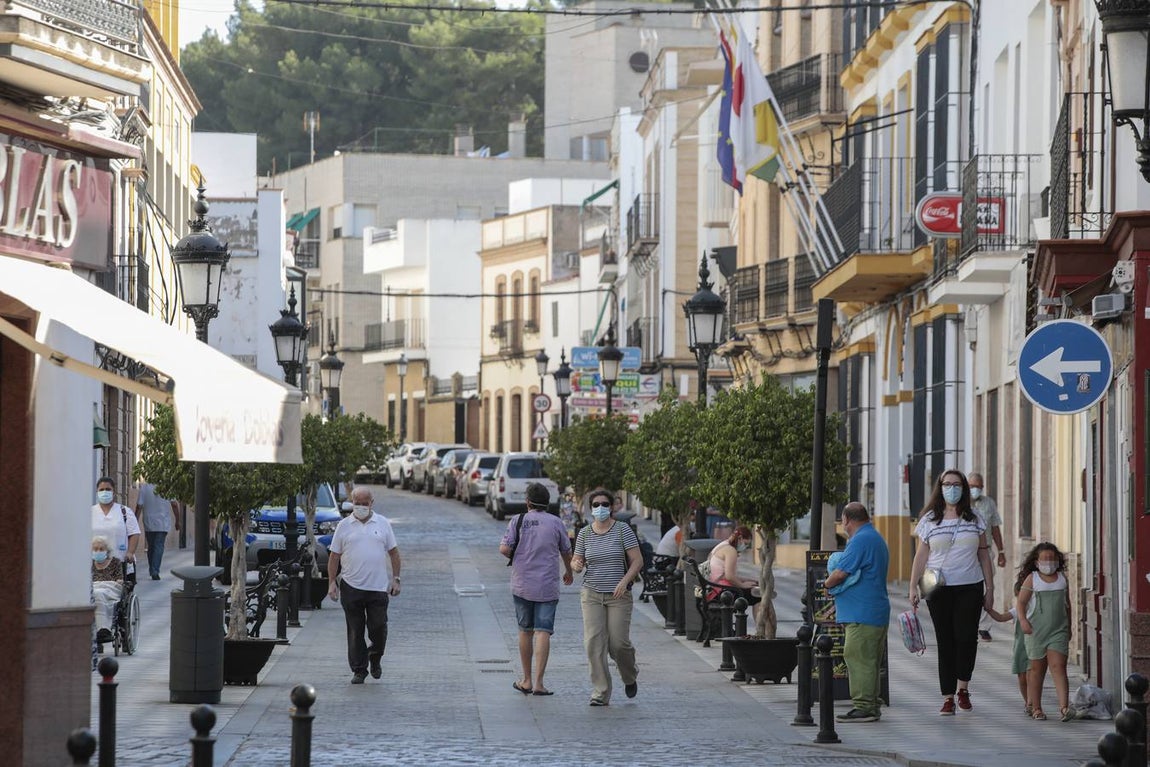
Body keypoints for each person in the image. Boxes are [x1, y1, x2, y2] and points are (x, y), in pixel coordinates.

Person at [909, 469, 994, 715]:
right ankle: (947, 697)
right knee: (945, 641)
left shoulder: (975, 518)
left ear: (964, 488)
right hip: (938, 588)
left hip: (970, 586)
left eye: (957, 484)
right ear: (940, 487)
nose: (952, 488)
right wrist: (912, 586)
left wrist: (990, 588)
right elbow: (921, 555)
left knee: (966, 638)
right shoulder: (929, 520)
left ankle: (963, 688)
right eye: (947, 484)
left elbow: (984, 554)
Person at [499, 482, 574, 696]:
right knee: (543, 631)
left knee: (525, 630)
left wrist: (517, 556)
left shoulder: (518, 520)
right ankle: (540, 683)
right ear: (547, 502)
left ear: (528, 502)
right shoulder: (556, 523)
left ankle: (526, 680)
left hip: (522, 584)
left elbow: (504, 548)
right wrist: (569, 572)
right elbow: (566, 551)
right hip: (547, 585)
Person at [571, 487, 643, 706]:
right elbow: (576, 561)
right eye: (596, 505)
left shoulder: (623, 530)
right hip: (591, 593)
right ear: (590, 508)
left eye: (604, 504)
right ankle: (600, 692)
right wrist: (576, 564)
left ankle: (629, 675)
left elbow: (637, 561)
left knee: (618, 644)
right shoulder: (584, 533)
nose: (600, 508)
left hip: (618, 595)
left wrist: (624, 581)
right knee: (594, 643)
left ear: (611, 507)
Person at [327, 486, 402, 684]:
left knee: (378, 627)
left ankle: (375, 656)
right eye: (357, 503)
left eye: (364, 503)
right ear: (352, 503)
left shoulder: (383, 523)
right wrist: (331, 583)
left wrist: (396, 579)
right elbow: (334, 556)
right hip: (351, 586)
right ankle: (359, 670)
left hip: (378, 588)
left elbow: (394, 553)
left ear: (371, 503)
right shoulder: (344, 525)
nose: (360, 507)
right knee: (355, 630)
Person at [824, 503, 891, 723]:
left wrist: (827, 583)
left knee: (857, 657)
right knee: (868, 660)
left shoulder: (861, 540)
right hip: (871, 612)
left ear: (846, 520)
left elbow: (841, 572)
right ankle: (871, 704)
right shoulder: (873, 537)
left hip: (863, 614)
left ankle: (864, 706)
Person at [1017, 542, 1073, 722]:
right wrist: (1023, 621)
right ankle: (1036, 708)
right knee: (1036, 670)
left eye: (1052, 559)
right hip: (1036, 631)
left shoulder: (1062, 579)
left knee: (1059, 667)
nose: (1049, 562)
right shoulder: (1032, 579)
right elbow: (1021, 603)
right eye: (1045, 559)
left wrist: (1069, 627)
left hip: (1058, 630)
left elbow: (1068, 606)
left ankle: (1064, 707)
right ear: (1036, 561)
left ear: (1058, 560)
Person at [969, 472, 1005, 641]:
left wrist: (1002, 552)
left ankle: (984, 627)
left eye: (978, 486)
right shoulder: (960, 504)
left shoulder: (988, 503)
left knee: (988, 587)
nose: (974, 489)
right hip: (967, 552)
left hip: (986, 550)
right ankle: (969, 622)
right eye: (971, 486)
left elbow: (995, 528)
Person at [985, 595, 1030, 715]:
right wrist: (989, 610)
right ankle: (1028, 702)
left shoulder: (1037, 609)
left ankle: (1034, 703)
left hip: (1034, 647)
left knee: (1032, 676)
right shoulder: (1018, 610)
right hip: (1021, 648)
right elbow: (1001, 617)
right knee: (1022, 676)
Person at [92, 477, 140, 577]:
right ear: (97, 492)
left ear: (114, 492)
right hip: (95, 564)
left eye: (108, 489)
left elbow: (134, 533)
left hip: (120, 563)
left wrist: (130, 552)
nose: (105, 492)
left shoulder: (125, 512)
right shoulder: (90, 513)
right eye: (101, 490)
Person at [135, 482, 179, 580]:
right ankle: (154, 571)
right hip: (163, 522)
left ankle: (153, 569)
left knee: (151, 546)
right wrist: (177, 520)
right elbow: (175, 504)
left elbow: (139, 506)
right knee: (159, 546)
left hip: (149, 522)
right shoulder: (167, 486)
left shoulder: (144, 487)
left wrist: (135, 520)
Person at [707, 526, 758, 600]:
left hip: (714, 586)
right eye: (746, 544)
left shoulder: (723, 545)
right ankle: (760, 612)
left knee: (756, 590)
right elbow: (729, 576)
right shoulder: (731, 550)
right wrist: (742, 585)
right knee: (757, 594)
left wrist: (745, 580)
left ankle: (763, 611)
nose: (745, 547)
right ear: (740, 538)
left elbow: (726, 575)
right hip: (720, 590)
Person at [91, 535, 124, 643]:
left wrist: (118, 582)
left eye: (101, 549)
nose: (98, 551)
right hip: (95, 588)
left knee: (98, 594)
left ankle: (104, 628)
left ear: (107, 550)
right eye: (95, 549)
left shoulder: (115, 562)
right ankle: (102, 628)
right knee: (97, 593)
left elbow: (120, 580)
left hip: (111, 588)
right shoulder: (90, 563)